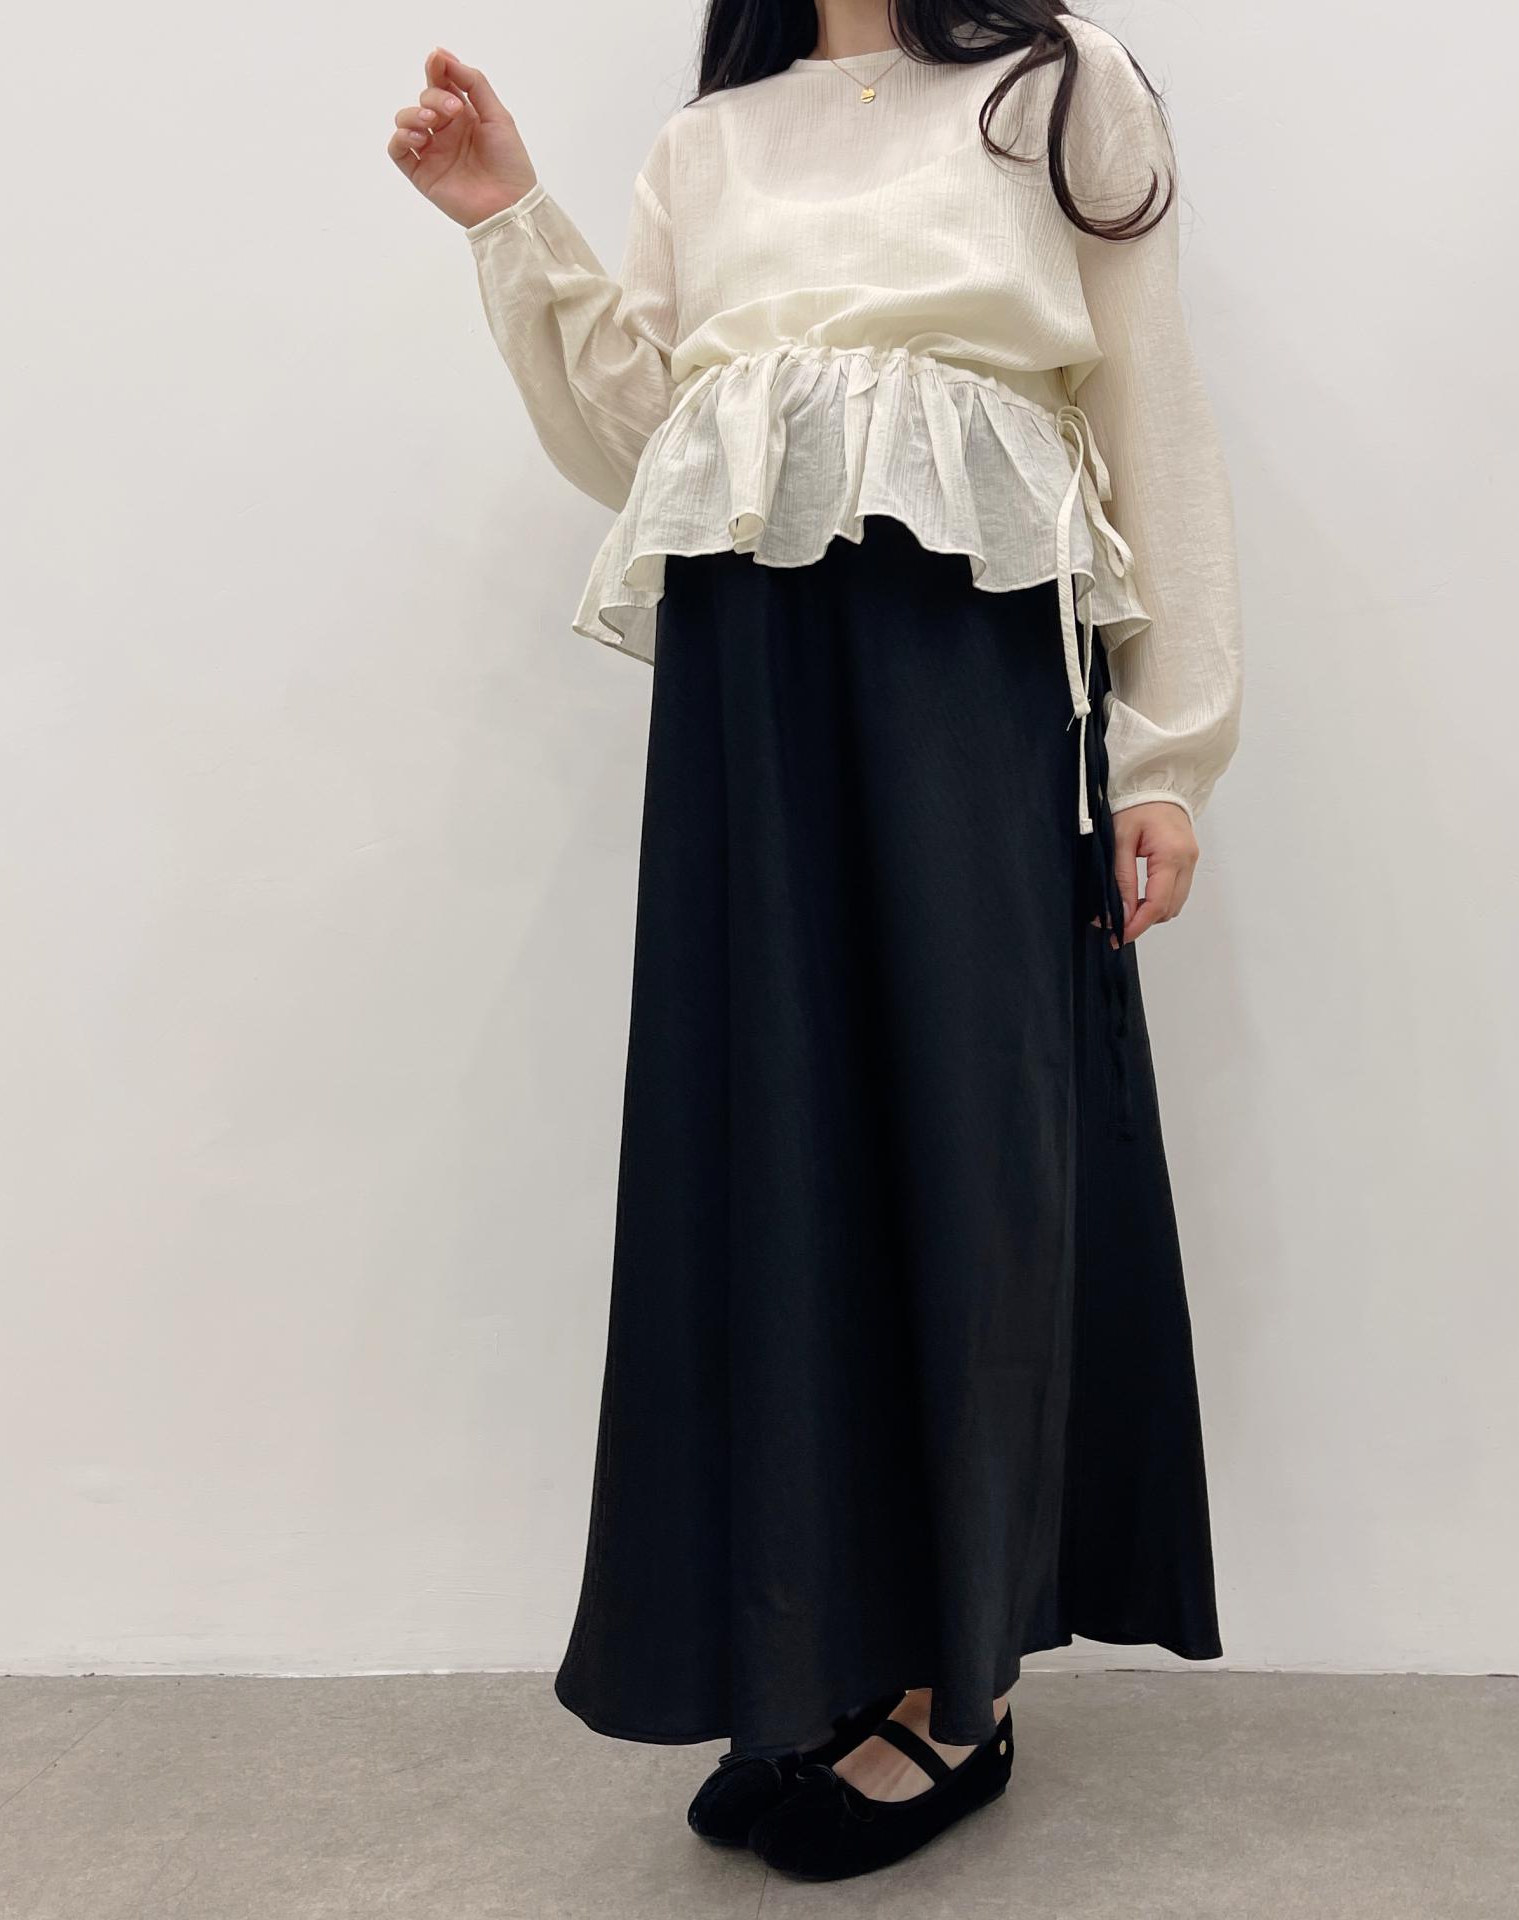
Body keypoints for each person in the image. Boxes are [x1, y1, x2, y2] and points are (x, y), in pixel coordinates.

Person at [388, 0, 1241, 1882]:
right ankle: (825, 1651)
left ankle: (960, 1689)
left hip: (965, 636)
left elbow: (1149, 406)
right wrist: (509, 215)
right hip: (747, 663)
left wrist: (1167, 749)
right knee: (774, 1142)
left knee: (966, 1142)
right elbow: (651, 435)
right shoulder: (713, 142)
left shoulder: (1057, 88)